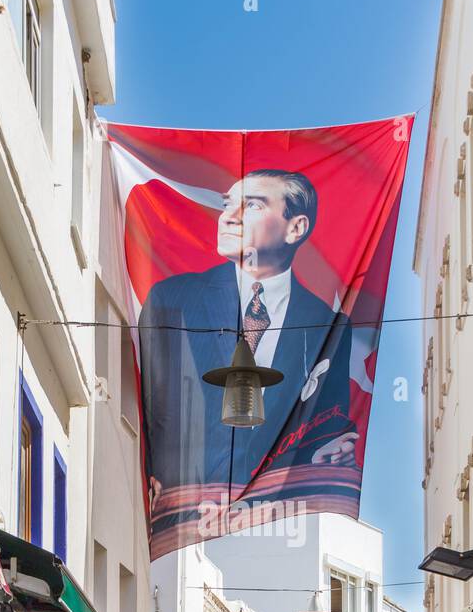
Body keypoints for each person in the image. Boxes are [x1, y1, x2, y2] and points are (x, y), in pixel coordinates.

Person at [138, 169, 358, 505]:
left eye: (252, 206)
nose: (228, 218)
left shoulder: (329, 329)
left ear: (295, 227)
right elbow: (153, 404)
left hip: (278, 515)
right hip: (187, 512)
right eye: (228, 205)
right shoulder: (172, 301)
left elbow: (327, 425)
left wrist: (332, 449)